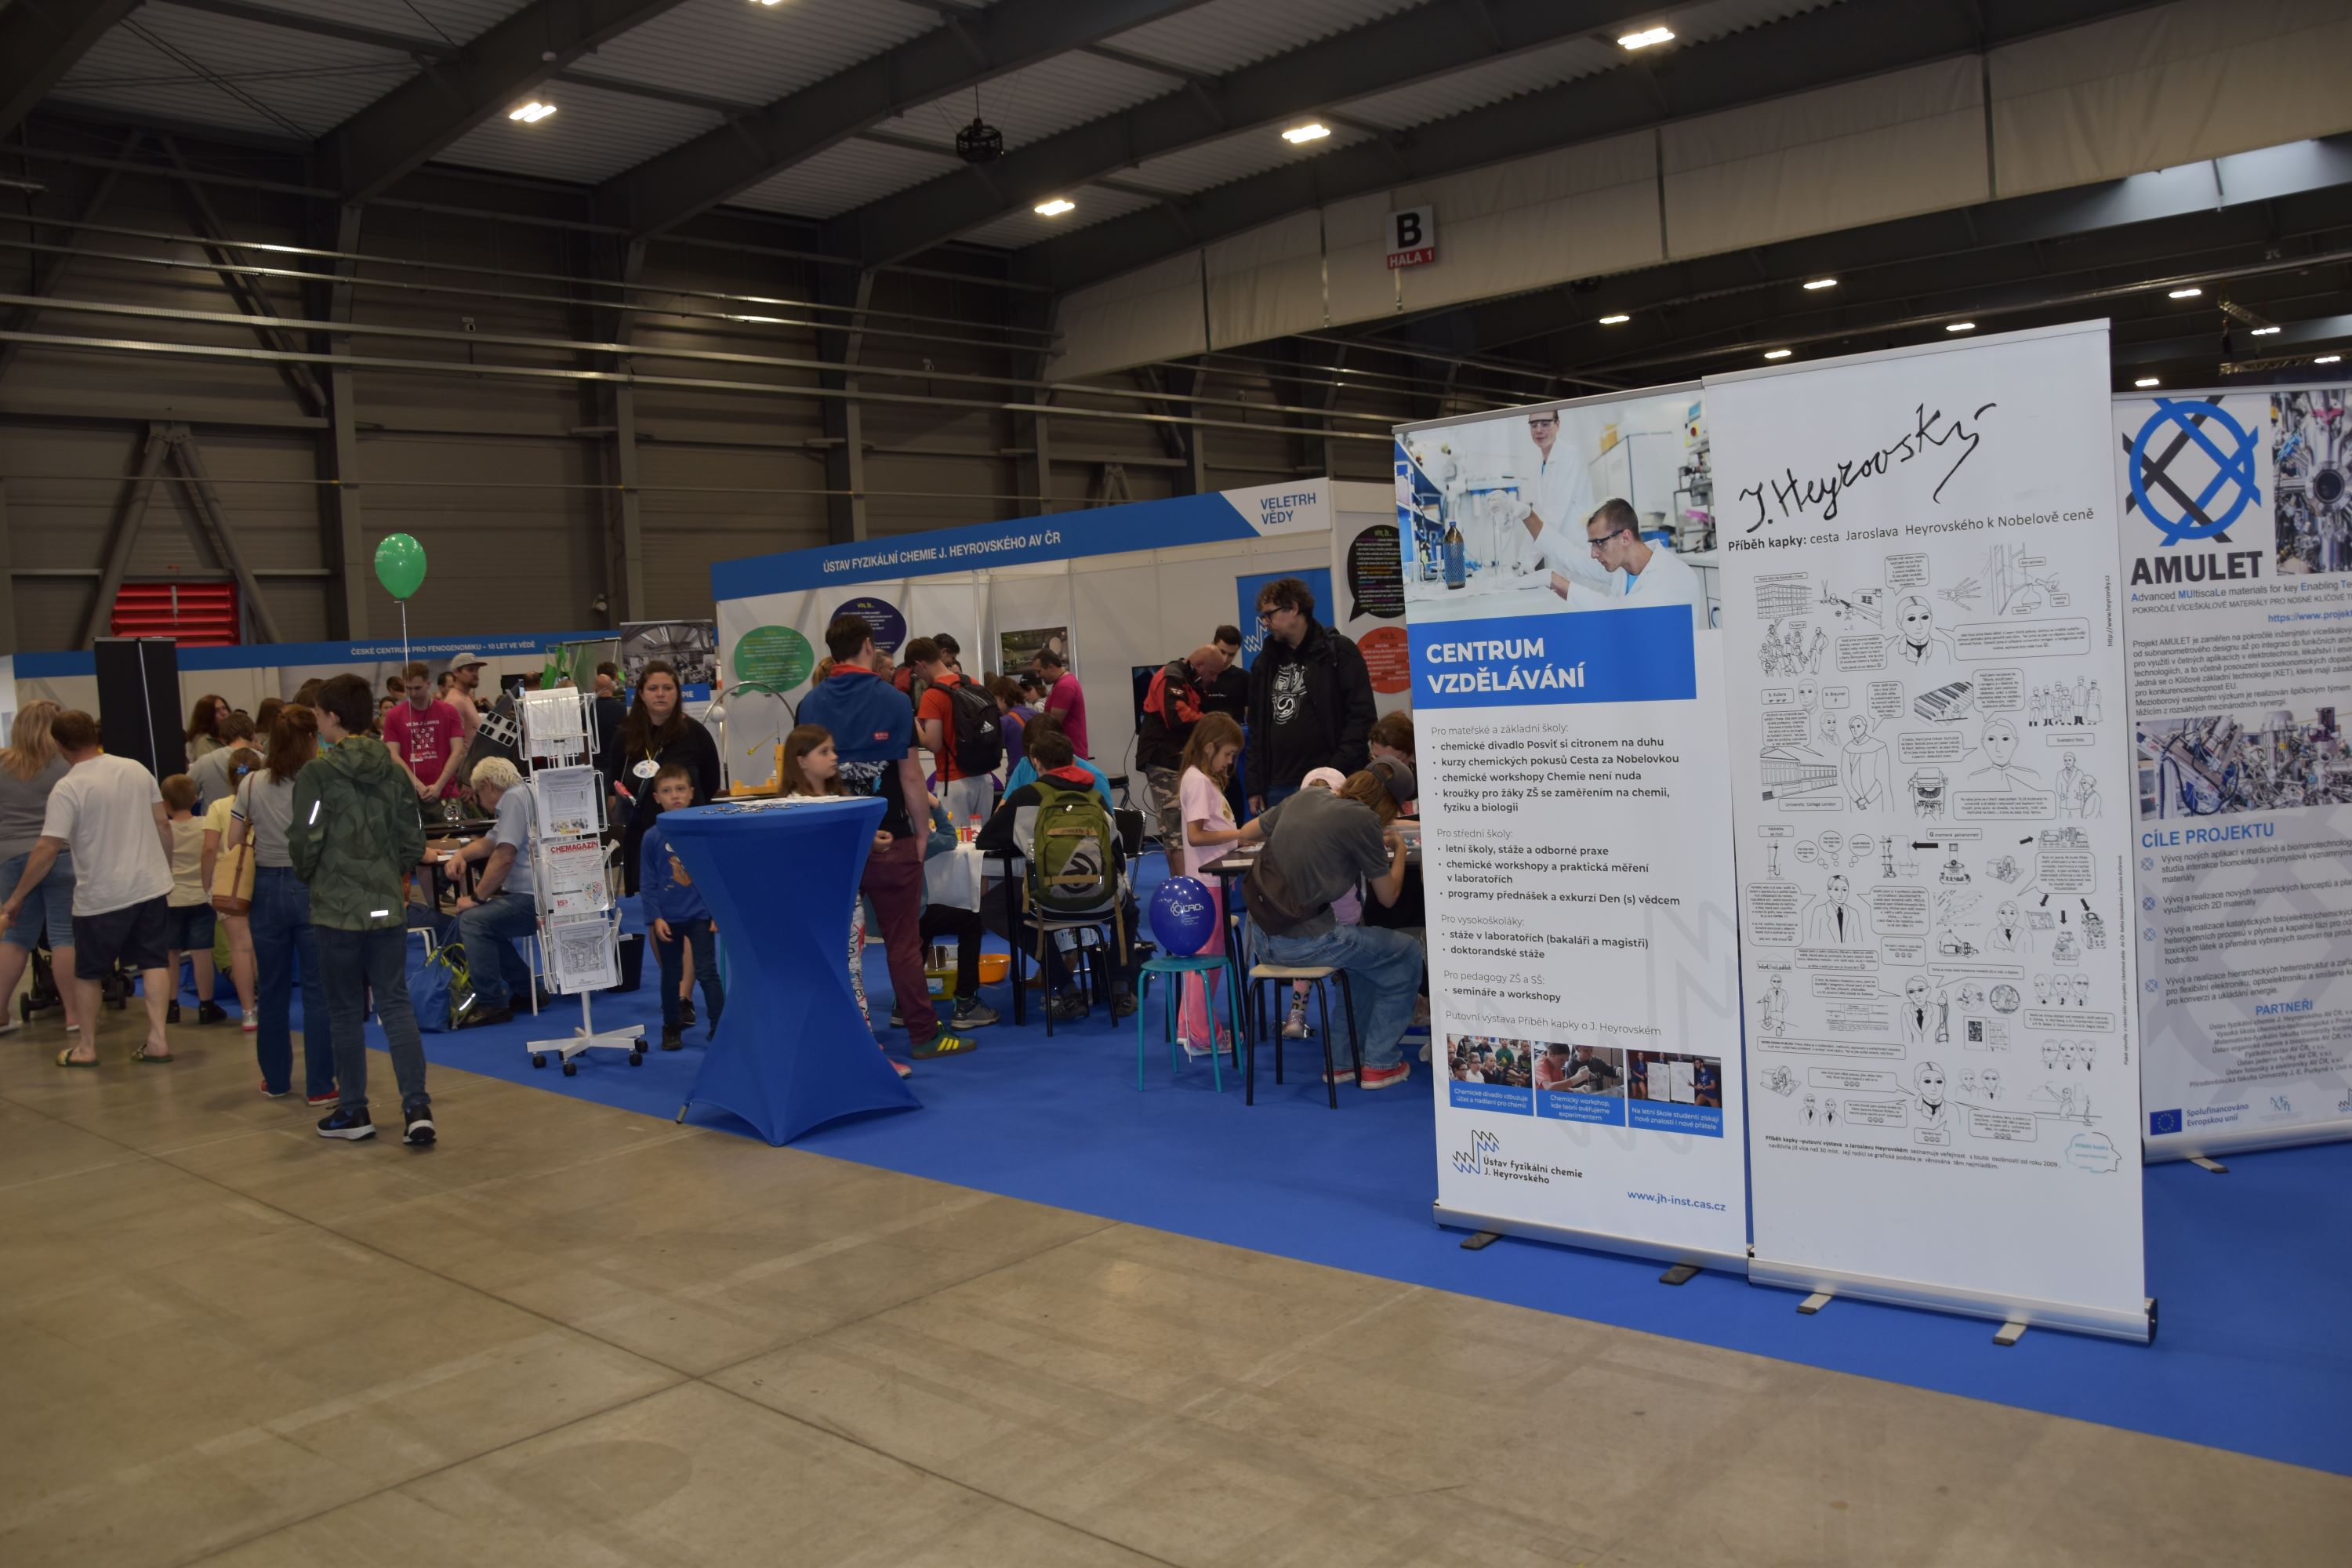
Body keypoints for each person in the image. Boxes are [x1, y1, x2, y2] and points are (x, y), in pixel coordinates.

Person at [798, 615, 964, 1065]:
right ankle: (924, 1034)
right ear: (869, 646)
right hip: (893, 839)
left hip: (835, 845)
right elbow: (910, 777)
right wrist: (922, 832)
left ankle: (846, 1036)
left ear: (832, 651)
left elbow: (805, 781)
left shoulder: (810, 703)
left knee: (840, 947)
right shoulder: (892, 700)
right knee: (903, 943)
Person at [292, 674, 435, 1145]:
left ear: (333, 717)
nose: (317, 723)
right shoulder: (394, 771)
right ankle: (417, 1108)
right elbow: (413, 838)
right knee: (395, 1004)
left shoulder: (317, 775)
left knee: (344, 1012)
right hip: (386, 907)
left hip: (337, 911)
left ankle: (354, 1110)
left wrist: (315, 876)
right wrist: (387, 875)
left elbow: (305, 840)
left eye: (318, 715)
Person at [0, 710, 177, 1067]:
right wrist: (165, 869)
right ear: (95, 736)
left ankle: (86, 1047)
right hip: (149, 885)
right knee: (154, 962)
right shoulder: (135, 769)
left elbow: (47, 848)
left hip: (101, 895)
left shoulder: (68, 787)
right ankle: (158, 1039)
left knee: (89, 972)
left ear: (60, 744)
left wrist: (16, 898)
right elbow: (163, 824)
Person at [1238, 764, 1421, 1089]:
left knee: (1364, 965)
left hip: (1263, 939)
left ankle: (1343, 1063)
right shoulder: (1362, 819)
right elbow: (1389, 896)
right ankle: (1380, 1063)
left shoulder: (1304, 798)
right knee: (1407, 952)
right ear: (1390, 804)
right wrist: (1400, 852)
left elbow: (1249, 831)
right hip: (1307, 942)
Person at [976, 726, 1138, 1023]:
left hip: (1047, 902)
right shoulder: (1095, 798)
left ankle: (1065, 986)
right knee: (1127, 912)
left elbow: (985, 840)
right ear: (1073, 761)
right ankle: (1120, 989)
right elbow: (1117, 858)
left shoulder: (1025, 798)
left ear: (1035, 762)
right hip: (1100, 900)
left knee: (994, 908)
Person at [228, 707, 334, 1100]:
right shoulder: (320, 779)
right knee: (317, 990)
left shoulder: (251, 783)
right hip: (311, 887)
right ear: (310, 740)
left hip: (266, 890)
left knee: (271, 989)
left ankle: (275, 1080)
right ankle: (321, 1085)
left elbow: (233, 841)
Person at [1246, 575, 1376, 815]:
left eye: (1269, 615)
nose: (1265, 623)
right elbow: (1256, 729)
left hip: (1333, 782)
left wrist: (1331, 772)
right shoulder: (1264, 663)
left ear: (1294, 608)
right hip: (1278, 786)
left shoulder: (1338, 651)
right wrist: (1254, 785)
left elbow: (1362, 718)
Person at [436, 756, 540, 1029]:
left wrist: (476, 898)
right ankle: (528, 991)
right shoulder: (523, 793)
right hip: (540, 895)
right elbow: (491, 841)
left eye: (478, 794)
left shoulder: (513, 799)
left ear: (488, 785)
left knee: (473, 921)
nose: (480, 802)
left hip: (534, 898)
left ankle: (492, 1003)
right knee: (484, 924)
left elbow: (504, 856)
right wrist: (461, 855)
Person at [0, 702, 79, 1038]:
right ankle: (74, 1014)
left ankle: (0, 1013)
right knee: (64, 936)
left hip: (11, 857)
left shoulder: (2, 763)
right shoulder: (67, 766)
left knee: (16, 936)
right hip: (59, 855)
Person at [1171, 713, 1247, 1056]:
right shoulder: (1199, 781)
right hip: (1208, 882)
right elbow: (1196, 835)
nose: (1230, 762)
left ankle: (1191, 1028)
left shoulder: (1199, 778)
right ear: (1209, 747)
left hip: (1209, 880)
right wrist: (1240, 834)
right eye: (1228, 754)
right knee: (1207, 960)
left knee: (1206, 958)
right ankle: (1201, 1035)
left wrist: (1236, 839)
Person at [1522, 496, 1707, 633]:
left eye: (1599, 543)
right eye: (1592, 544)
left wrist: (1554, 580)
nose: (1594, 553)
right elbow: (1572, 555)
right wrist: (1527, 515)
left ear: (1625, 538)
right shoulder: (1623, 567)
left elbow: (1621, 613)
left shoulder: (1673, 576)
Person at [615, 659, 722, 896]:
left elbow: (711, 782)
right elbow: (614, 782)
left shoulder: (696, 734)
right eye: (653, 688)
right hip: (643, 836)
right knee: (652, 903)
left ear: (677, 693)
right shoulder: (625, 736)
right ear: (641, 694)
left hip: (688, 834)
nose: (660, 694)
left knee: (693, 899)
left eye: (667, 688)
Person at [638, 763, 725, 1053]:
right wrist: (655, 917)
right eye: (667, 790)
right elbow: (648, 882)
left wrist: (717, 911)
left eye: (680, 789)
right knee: (670, 976)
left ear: (690, 793)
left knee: (708, 973)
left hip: (700, 916)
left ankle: (719, 1027)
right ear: (657, 798)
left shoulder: (702, 834)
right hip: (668, 919)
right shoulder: (652, 838)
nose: (674, 795)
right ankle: (671, 1027)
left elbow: (715, 876)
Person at [1137, 644, 1230, 850]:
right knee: (1177, 836)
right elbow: (1177, 718)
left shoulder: (1193, 681)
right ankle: (1182, 872)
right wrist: (1212, 722)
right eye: (1213, 673)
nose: (1215, 679)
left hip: (1183, 763)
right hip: (1165, 762)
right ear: (1199, 665)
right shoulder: (1170, 678)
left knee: (1188, 830)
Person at [202, 746, 263, 1033]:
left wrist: (207, 883)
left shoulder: (218, 807)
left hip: (230, 882)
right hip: (262, 876)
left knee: (239, 948)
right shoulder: (265, 802)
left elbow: (210, 848)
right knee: (262, 944)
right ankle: (268, 1001)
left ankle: (248, 1012)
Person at [908, 637, 997, 829]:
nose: (919, 677)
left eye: (915, 672)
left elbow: (934, 744)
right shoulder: (972, 682)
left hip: (954, 781)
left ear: (920, 664)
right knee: (981, 840)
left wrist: (916, 727)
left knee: (955, 841)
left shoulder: (933, 695)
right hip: (983, 777)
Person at [158, 774, 223, 1026]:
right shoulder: (206, 825)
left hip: (171, 899)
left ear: (165, 804)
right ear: (196, 798)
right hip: (200, 898)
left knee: (170, 953)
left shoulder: (163, 831)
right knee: (201, 952)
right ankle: (206, 1005)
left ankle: (171, 1006)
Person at [1503, 407, 1585, 579]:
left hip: (1575, 549)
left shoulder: (1569, 456)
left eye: (1545, 424)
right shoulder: (1543, 463)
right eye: (1534, 425)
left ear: (1557, 424)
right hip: (1558, 551)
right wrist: (1521, 559)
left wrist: (1529, 560)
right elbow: (1540, 518)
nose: (1539, 430)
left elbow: (1554, 516)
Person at [383, 660, 470, 808]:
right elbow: (393, 755)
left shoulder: (449, 712)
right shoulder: (394, 716)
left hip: (447, 793)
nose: (413, 693)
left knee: (453, 824)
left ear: (428, 684)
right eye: (408, 688)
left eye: (418, 688)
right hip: (409, 796)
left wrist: (439, 786)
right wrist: (417, 785)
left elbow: (458, 752)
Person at [1000, 712, 1112, 806]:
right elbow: (1002, 812)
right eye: (1033, 755)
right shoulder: (1025, 765)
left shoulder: (1096, 777)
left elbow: (1108, 824)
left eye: (1044, 754)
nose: (1036, 762)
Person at [188, 710, 256, 810]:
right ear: (253, 735)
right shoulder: (266, 762)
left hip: (214, 818)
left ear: (223, 739)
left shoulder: (205, 762)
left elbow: (183, 793)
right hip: (253, 818)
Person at [1033, 645, 1090, 759]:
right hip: (1065, 753)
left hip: (1069, 755)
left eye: (1039, 671)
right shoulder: (1062, 683)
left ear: (1051, 667)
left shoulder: (1065, 686)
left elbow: (1052, 725)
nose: (1037, 676)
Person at [990, 675, 1030, 775]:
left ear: (1002, 698)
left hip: (1017, 774)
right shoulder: (1034, 713)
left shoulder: (1005, 721)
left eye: (995, 700)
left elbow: (992, 751)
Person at [185, 692, 233, 760]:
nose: (224, 713)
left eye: (224, 708)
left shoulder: (231, 736)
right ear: (207, 716)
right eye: (217, 711)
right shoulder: (203, 741)